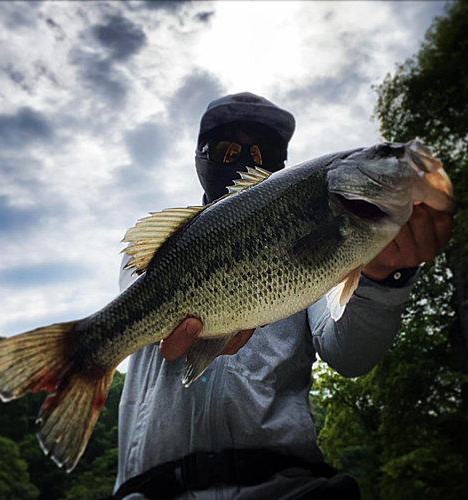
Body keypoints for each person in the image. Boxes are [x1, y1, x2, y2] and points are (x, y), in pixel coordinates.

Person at [110, 92, 453, 500]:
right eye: (228, 149)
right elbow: (151, 316)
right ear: (201, 157)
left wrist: (383, 278)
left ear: (282, 165)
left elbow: (350, 356)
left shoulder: (337, 241)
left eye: (263, 150)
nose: (246, 160)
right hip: (150, 491)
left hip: (288, 488)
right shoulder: (159, 254)